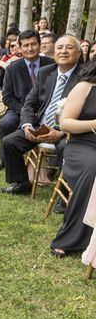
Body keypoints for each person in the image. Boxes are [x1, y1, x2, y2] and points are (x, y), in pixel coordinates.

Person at [0, 35, 82, 195]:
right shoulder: (46, 72)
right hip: (40, 127)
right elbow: (30, 103)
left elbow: (86, 112)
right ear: (54, 52)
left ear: (78, 53)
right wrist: (27, 125)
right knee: (10, 142)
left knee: (67, 149)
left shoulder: (84, 77)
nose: (63, 51)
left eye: (69, 48)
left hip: (65, 131)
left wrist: (63, 132)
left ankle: (64, 195)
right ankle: (22, 184)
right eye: (60, 47)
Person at [50, 59, 96, 256]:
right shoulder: (85, 87)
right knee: (94, 169)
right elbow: (66, 123)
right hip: (83, 145)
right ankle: (71, 238)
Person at [0, 30, 54, 166]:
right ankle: (5, 159)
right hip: (19, 108)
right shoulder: (12, 68)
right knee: (6, 123)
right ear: (20, 48)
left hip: (47, 110)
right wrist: (24, 111)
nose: (30, 48)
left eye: (33, 44)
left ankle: (51, 165)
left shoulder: (52, 65)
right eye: (26, 45)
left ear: (39, 45)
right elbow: (7, 97)